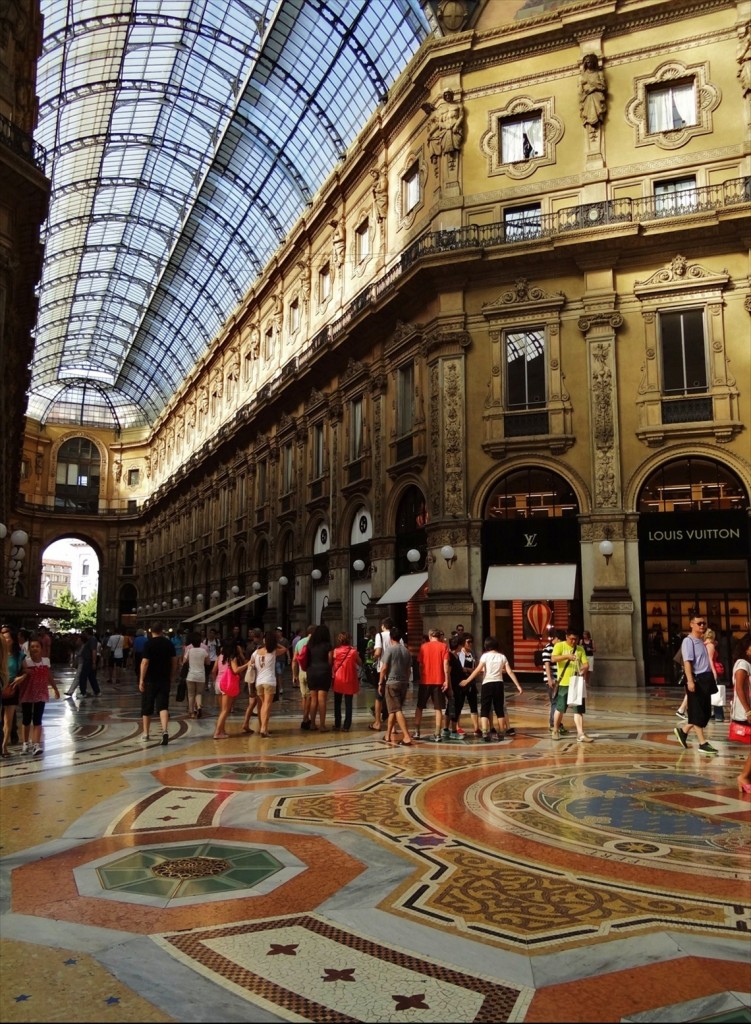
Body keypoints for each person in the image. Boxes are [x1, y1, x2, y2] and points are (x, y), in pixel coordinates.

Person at [463, 636, 522, 741]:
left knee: (485, 709)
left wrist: (467, 680)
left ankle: (485, 733)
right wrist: (517, 685)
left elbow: (477, 670)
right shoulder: (502, 657)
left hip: (487, 684)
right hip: (499, 684)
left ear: (486, 646)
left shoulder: (485, 656)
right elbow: (509, 672)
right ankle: (501, 733)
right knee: (499, 710)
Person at [673, 614, 717, 754]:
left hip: (705, 679)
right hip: (696, 679)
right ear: (691, 624)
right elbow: (687, 662)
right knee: (697, 711)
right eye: (699, 623)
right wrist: (690, 680)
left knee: (704, 712)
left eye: (704, 623)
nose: (702, 626)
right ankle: (702, 743)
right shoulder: (688, 641)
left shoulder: (701, 641)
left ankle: (683, 731)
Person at [18, 637, 60, 756]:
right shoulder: (25, 662)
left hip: (40, 694)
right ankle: (25, 743)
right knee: (26, 719)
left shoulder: (45, 661)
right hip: (27, 693)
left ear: (41, 648)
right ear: (28, 649)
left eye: (37, 646)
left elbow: (49, 675)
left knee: (37, 719)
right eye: (32, 647)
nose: (35, 649)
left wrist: (55, 688)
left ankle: (36, 744)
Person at [551, 629, 592, 742]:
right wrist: (567, 657)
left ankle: (580, 733)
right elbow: (553, 658)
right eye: (571, 639)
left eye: (576, 639)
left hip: (576, 682)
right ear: (566, 637)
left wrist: (584, 669)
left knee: (578, 709)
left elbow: (586, 664)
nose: (573, 641)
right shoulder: (559, 646)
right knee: (560, 708)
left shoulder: (580, 649)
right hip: (564, 682)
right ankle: (555, 729)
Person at [139, 623, 177, 745]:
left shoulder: (148, 644)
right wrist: (172, 675)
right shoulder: (169, 644)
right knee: (163, 706)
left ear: (151, 631)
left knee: (147, 706)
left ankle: (146, 733)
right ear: (162, 631)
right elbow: (174, 661)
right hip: (164, 678)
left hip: (150, 679)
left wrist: (141, 679)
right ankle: (165, 731)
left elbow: (145, 662)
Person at [378, 625, 414, 745]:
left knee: (397, 709)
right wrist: (406, 680)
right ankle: (388, 735)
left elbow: (384, 668)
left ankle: (407, 736)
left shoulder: (390, 649)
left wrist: (380, 682)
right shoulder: (406, 651)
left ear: (391, 638)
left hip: (392, 683)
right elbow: (409, 669)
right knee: (392, 710)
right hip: (403, 683)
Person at [247, 631, 287, 737]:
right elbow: (284, 649)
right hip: (269, 681)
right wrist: (275, 643)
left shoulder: (256, 652)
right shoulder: (273, 651)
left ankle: (263, 727)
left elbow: (250, 664)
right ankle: (264, 728)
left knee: (263, 706)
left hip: (258, 682)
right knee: (267, 705)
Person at [415, 628, 450, 742]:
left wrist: (421, 676)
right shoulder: (443, 646)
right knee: (438, 708)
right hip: (438, 680)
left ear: (430, 636)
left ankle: (417, 732)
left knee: (420, 707)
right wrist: (446, 680)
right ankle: (437, 733)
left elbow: (420, 665)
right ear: (438, 636)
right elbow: (445, 664)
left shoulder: (423, 646)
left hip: (425, 681)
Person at [210, 639, 245, 739]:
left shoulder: (219, 657)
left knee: (222, 710)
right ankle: (217, 732)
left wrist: (214, 681)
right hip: (226, 684)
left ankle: (222, 730)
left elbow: (213, 671)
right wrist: (247, 665)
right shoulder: (232, 658)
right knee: (225, 710)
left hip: (218, 683)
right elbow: (236, 670)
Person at [730, 635, 751, 794]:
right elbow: (739, 688)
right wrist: (748, 710)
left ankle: (745, 777)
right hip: (747, 711)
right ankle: (743, 777)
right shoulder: (743, 664)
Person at [1, 624, 24, 756]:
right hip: (1, 686)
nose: (5, 640)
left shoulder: (18, 655)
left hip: (12, 688)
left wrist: (21, 677)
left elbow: (26, 670)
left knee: (8, 720)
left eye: (7, 637)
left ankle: (4, 745)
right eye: (3, 637)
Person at [306, 624, 334, 731]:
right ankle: (322, 725)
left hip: (311, 672)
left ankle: (312, 724)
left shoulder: (310, 645)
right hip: (323, 672)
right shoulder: (327, 645)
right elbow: (330, 660)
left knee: (314, 700)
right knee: (322, 700)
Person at [332, 632, 361, 731]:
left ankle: (337, 724)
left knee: (337, 702)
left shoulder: (335, 651)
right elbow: (360, 662)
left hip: (338, 679)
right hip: (349, 678)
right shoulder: (353, 651)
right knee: (349, 703)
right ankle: (346, 725)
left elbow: (332, 662)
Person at [370, 617, 394, 732]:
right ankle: (393, 726)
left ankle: (377, 722)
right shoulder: (396, 635)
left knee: (379, 696)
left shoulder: (379, 636)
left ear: (383, 626)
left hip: (382, 669)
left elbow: (378, 652)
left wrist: (373, 657)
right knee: (393, 697)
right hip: (395, 670)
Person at [579, 53, 607, 137]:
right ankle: (590, 125)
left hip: (596, 97)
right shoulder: (583, 76)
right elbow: (581, 90)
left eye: (591, 62)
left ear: (594, 63)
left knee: (597, 110)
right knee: (587, 111)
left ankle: (596, 121)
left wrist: (594, 88)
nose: (589, 64)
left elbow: (603, 87)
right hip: (586, 98)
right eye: (587, 62)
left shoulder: (599, 74)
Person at [183, 631, 209, 718]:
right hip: (201, 675)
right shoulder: (204, 650)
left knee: (190, 694)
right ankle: (199, 706)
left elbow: (184, 661)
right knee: (199, 693)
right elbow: (208, 662)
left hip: (191, 675)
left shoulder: (189, 650)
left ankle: (192, 713)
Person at [67, 628, 100, 698]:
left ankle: (83, 692)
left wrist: (94, 662)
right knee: (91, 677)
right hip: (87, 660)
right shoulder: (89, 640)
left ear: (87, 633)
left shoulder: (92, 640)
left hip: (88, 660)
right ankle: (97, 691)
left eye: (85, 632)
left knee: (83, 676)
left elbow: (94, 651)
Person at [703, 628, 725, 722]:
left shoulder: (704, 645)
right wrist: (715, 673)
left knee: (711, 692)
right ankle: (719, 715)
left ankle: (714, 713)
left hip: (707, 670)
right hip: (713, 670)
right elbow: (711, 660)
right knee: (717, 691)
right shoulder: (710, 646)